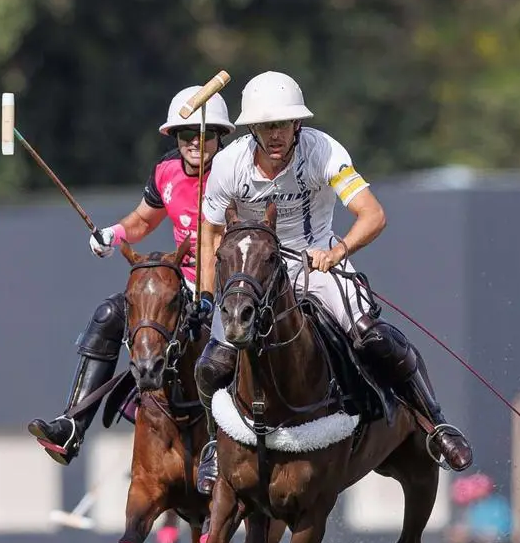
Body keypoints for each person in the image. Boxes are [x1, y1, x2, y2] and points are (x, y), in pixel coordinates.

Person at [193, 71, 474, 494]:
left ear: (297, 125)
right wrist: (208, 294)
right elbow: (210, 231)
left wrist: (338, 251)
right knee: (212, 366)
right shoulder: (229, 165)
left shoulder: (323, 152)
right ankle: (214, 444)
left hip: (316, 262)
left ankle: (435, 423)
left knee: (373, 337)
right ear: (252, 128)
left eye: (282, 125)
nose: (274, 135)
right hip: (253, 272)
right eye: (266, 126)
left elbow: (373, 214)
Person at [28, 85, 235, 465]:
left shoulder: (235, 171)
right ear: (175, 137)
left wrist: (213, 291)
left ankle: (221, 447)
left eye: (203, 135)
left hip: (232, 285)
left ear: (220, 136)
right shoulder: (166, 171)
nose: (194, 143)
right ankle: (72, 426)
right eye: (185, 135)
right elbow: (143, 219)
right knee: (111, 314)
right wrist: (114, 234)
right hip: (184, 283)